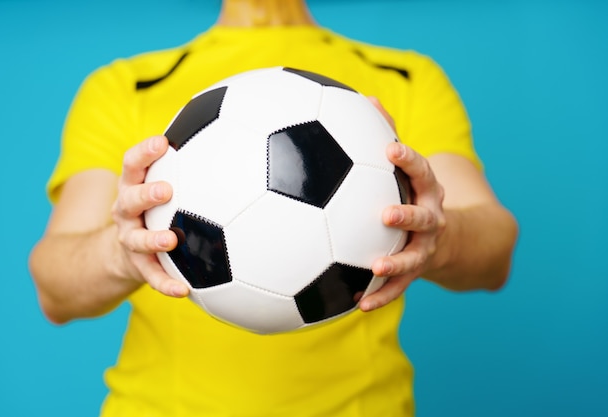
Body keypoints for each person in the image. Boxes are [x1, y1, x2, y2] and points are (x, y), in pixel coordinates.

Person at [29, 0, 518, 415]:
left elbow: (495, 253)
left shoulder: (407, 77)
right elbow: (55, 288)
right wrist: (121, 251)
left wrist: (438, 237)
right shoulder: (127, 85)